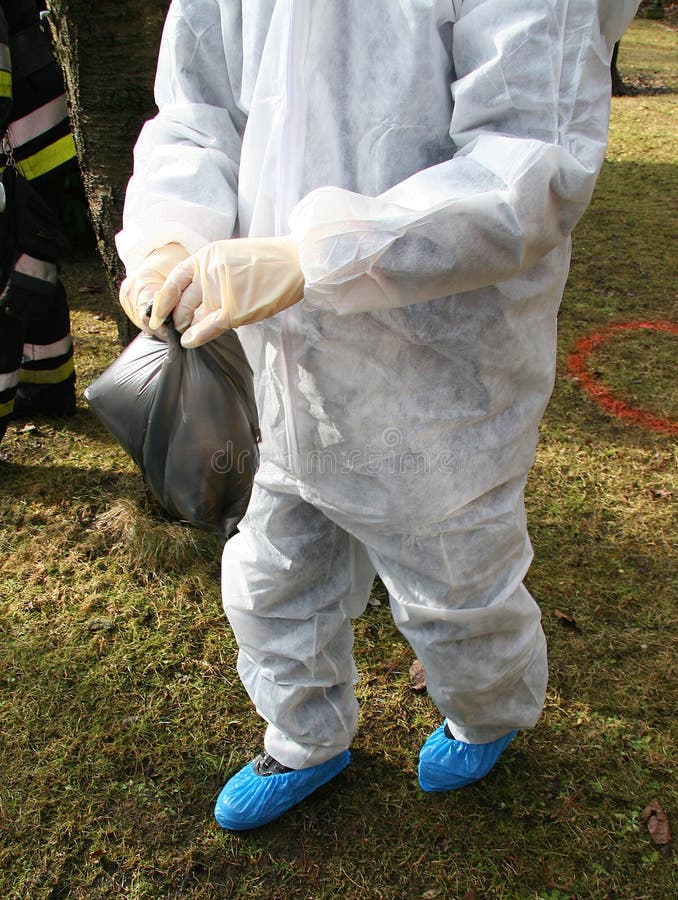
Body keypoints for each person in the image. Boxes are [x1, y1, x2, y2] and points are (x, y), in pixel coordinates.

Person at [117, 0, 640, 831]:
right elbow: (196, 108)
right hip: (278, 361)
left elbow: (528, 166)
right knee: (273, 570)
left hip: (437, 375)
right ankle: (303, 737)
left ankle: (485, 714)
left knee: (458, 583)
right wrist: (168, 235)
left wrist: (318, 254)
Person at [0, 0, 77, 445]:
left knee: (10, 273)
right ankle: (47, 385)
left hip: (19, 137)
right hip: (37, 132)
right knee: (35, 260)